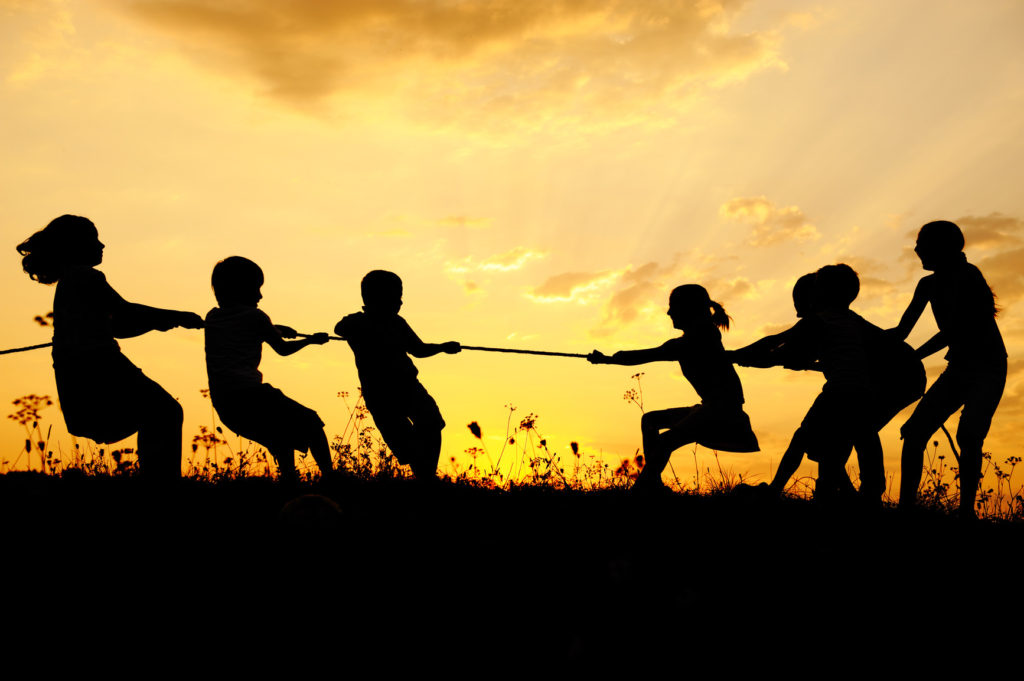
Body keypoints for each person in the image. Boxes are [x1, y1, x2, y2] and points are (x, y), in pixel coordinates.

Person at [15, 214, 202, 479]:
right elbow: (123, 312)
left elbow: (120, 327)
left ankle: (157, 482)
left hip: (84, 371)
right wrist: (176, 315)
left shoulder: (72, 280)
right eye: (94, 239)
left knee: (160, 413)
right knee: (165, 411)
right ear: (75, 246)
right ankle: (161, 485)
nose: (102, 245)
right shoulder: (85, 276)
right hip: (100, 367)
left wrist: (160, 322)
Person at [732, 269, 924, 502]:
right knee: (861, 438)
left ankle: (780, 489)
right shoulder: (854, 321)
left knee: (806, 439)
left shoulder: (817, 321)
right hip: (865, 392)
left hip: (847, 391)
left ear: (818, 293)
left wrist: (735, 356)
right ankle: (866, 492)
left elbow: (775, 346)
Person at [588, 284, 759, 492]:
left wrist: (607, 360)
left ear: (689, 308)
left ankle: (645, 488)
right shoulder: (697, 337)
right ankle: (652, 485)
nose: (668, 312)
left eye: (673, 306)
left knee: (666, 441)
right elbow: (654, 353)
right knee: (651, 420)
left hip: (722, 412)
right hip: (712, 408)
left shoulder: (700, 338)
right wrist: (609, 359)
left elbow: (648, 355)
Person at [891, 220, 1006, 519]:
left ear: (941, 247)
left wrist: (913, 357)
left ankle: (966, 511)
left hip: (988, 367)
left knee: (969, 435)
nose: (916, 248)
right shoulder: (926, 285)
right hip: (959, 368)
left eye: (922, 242)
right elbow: (901, 331)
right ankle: (906, 508)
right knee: (914, 432)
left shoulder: (969, 276)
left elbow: (955, 331)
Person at [204, 256, 334, 484]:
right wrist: (310, 341)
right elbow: (282, 349)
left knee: (280, 435)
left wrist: (273, 328)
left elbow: (241, 327)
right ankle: (332, 478)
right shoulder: (256, 317)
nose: (260, 296)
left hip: (225, 403)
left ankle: (289, 481)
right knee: (312, 422)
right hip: (251, 395)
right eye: (256, 289)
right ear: (241, 289)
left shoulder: (212, 317)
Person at [334, 270, 461, 480]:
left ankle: (427, 478)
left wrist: (442, 347)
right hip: (380, 393)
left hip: (408, 385)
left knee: (431, 422)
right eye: (395, 297)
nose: (400, 302)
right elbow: (340, 328)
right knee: (404, 438)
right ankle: (425, 479)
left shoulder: (397, 323)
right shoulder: (357, 322)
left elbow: (418, 349)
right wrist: (366, 328)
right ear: (377, 298)